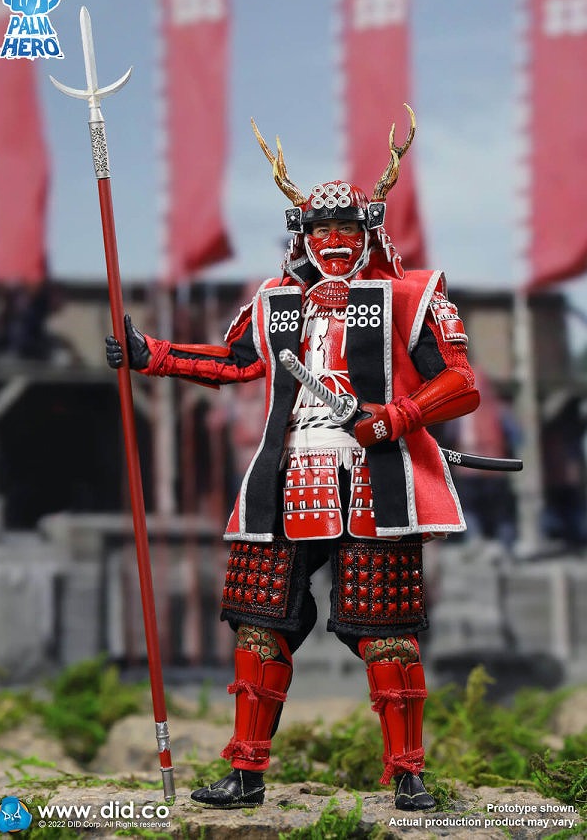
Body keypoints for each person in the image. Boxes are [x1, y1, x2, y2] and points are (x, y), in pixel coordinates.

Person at [106, 108, 480, 811]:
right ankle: (246, 770)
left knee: (388, 634)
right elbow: (235, 362)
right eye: (321, 231)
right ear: (302, 238)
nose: (335, 243)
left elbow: (460, 385)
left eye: (346, 231)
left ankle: (409, 775)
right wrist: (150, 355)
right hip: (286, 479)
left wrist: (395, 416)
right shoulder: (275, 302)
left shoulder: (412, 296)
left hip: (377, 479)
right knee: (260, 622)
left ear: (367, 234)